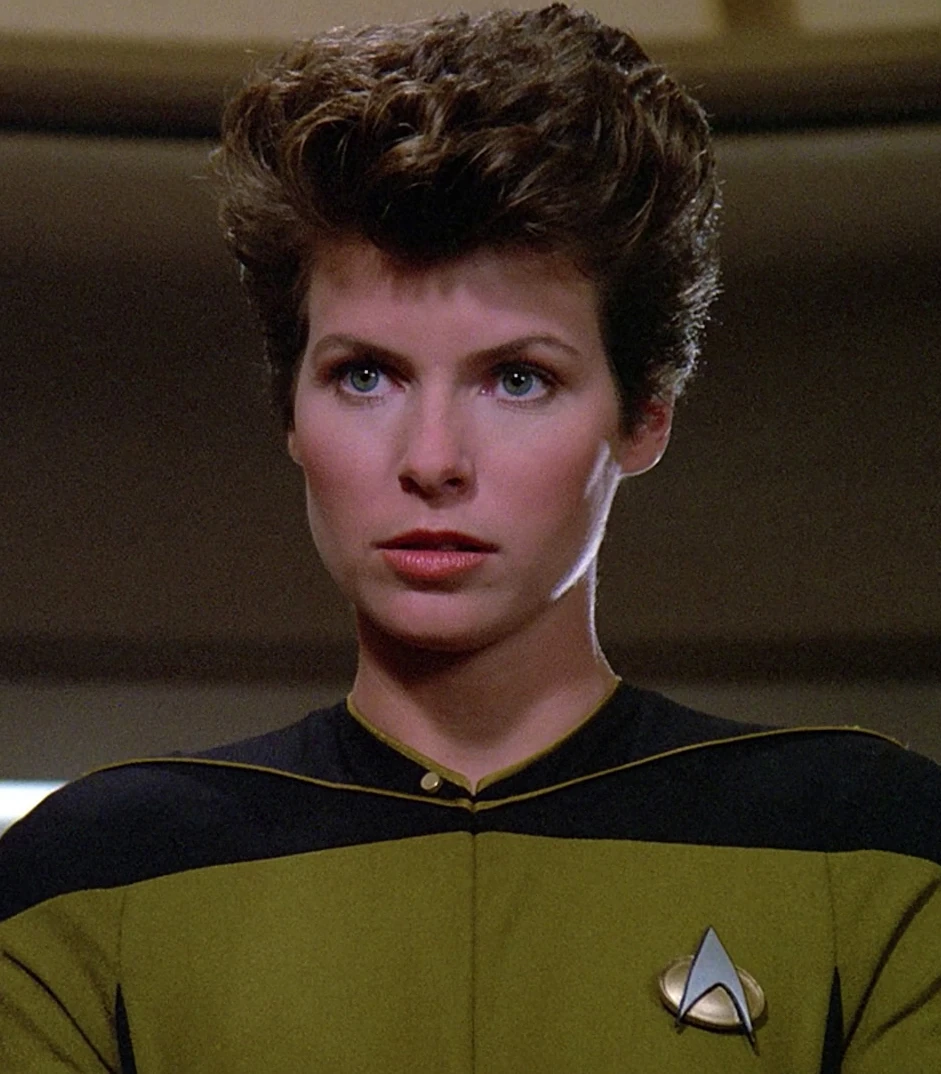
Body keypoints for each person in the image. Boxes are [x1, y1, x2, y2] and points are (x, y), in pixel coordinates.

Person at [1, 6, 939, 1072]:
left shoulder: (870, 849)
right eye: (365, 375)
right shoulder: (92, 879)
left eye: (517, 379)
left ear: (644, 417)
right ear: (290, 414)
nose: (432, 458)